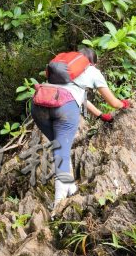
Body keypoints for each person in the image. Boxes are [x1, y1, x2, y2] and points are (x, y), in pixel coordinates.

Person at [31, 47, 130, 206]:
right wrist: (124, 104)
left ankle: (70, 188)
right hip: (64, 109)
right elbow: (113, 102)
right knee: (61, 151)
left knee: (60, 149)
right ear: (93, 62)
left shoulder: (63, 69)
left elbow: (79, 96)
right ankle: (59, 202)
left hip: (38, 106)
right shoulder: (91, 71)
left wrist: (100, 115)